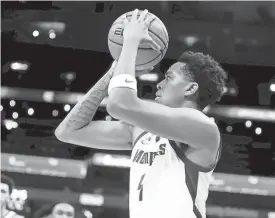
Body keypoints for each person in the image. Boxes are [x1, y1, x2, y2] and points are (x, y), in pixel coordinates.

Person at [55, 9, 227, 218]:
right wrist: (112, 73)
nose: (160, 84)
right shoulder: (140, 131)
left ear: (190, 89)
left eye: (169, 78)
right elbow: (68, 131)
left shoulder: (204, 129)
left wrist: (130, 43)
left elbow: (119, 103)